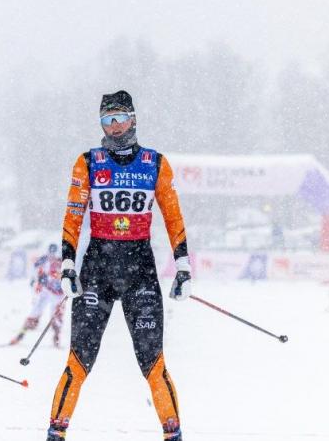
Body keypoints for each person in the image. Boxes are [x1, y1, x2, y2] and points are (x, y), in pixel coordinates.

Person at [46, 90, 192, 441]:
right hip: (96, 270)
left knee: (153, 362)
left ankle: (172, 434)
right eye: (106, 121)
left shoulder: (154, 163)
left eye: (119, 118)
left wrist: (183, 265)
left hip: (140, 270)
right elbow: (73, 216)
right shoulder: (89, 162)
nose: (113, 127)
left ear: (133, 119)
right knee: (79, 360)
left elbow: (172, 215)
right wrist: (68, 263)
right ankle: (55, 433)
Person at [10, 243, 66, 347]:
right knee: (35, 312)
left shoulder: (63, 262)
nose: (52, 257)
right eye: (50, 254)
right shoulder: (44, 260)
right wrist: (36, 281)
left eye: (53, 254)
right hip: (46, 291)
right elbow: (36, 270)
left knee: (57, 317)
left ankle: (57, 338)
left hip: (58, 294)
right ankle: (21, 335)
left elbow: (67, 276)